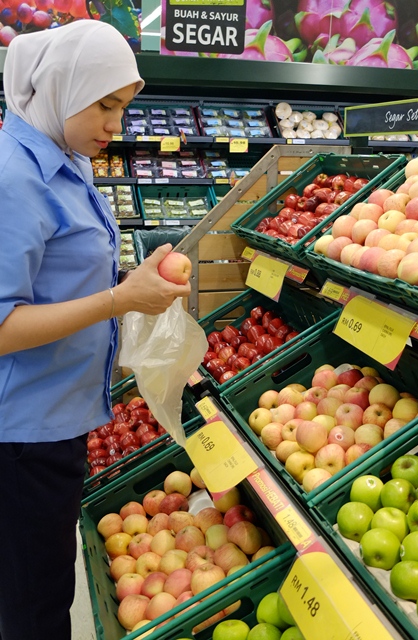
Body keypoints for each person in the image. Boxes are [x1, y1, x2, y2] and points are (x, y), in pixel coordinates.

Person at [0, 20, 191, 640]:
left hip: (59, 414)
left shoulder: (67, 158)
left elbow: (60, 278)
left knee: (40, 585)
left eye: (124, 106)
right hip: (24, 432)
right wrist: (118, 299)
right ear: (62, 87)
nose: (117, 124)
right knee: (35, 605)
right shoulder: (15, 179)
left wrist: (133, 284)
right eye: (105, 105)